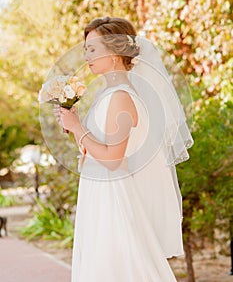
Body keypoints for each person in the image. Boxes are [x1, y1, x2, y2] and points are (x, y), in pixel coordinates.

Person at [54, 17, 194, 281]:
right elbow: (97, 150)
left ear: (116, 52)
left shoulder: (120, 97)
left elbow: (113, 160)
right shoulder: (110, 94)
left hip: (114, 200)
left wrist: (77, 128)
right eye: (86, 49)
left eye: (93, 49)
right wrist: (74, 127)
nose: (87, 56)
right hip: (99, 194)